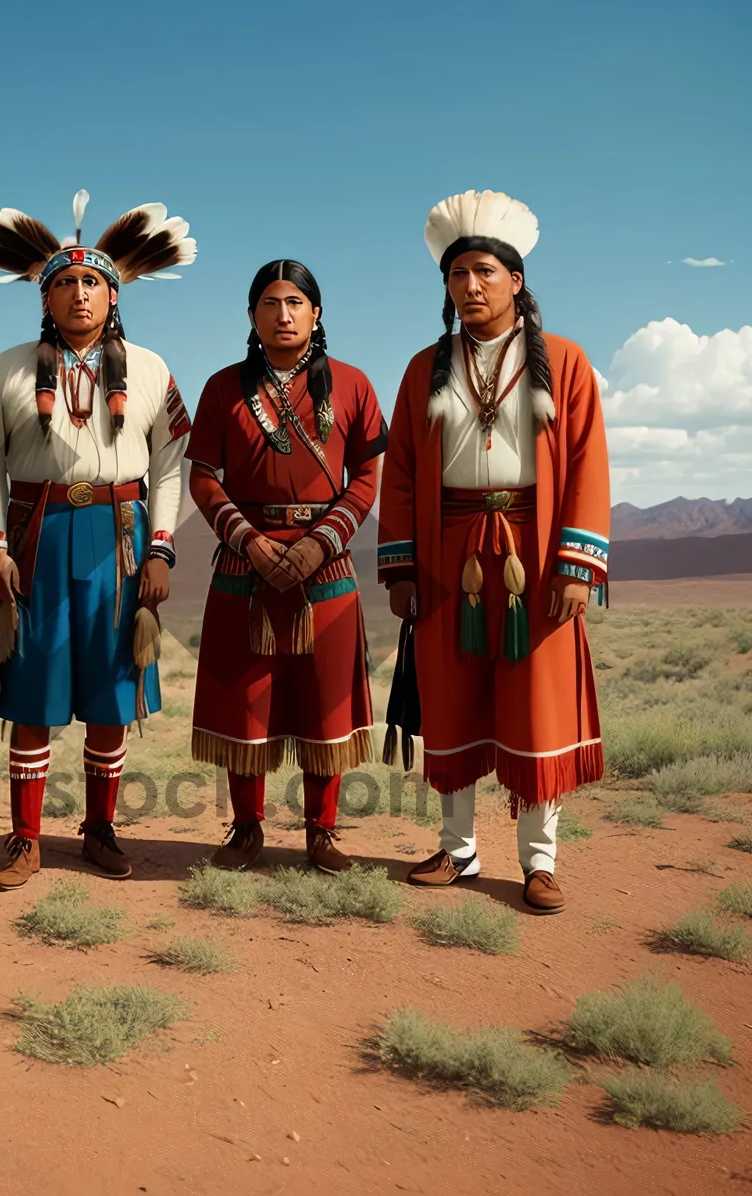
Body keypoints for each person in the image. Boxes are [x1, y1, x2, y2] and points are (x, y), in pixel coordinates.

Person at [0, 191, 194, 889]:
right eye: (64, 282)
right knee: (33, 686)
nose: (78, 293)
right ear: (44, 296)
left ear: (114, 296)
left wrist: (161, 549)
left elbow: (172, 465)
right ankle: (25, 837)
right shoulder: (8, 367)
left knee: (110, 689)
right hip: (37, 537)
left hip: (121, 539)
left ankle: (98, 830)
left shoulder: (150, 369)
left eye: (92, 282)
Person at [378, 189, 609, 913]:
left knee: (535, 704)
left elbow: (587, 461)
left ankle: (539, 861)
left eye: (484, 272)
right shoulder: (424, 369)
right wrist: (402, 569)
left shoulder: (565, 363)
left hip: (535, 553)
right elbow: (404, 472)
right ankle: (458, 853)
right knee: (452, 700)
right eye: (457, 275)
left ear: (516, 281)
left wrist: (577, 567)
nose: (470, 287)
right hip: (450, 554)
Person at [186, 260, 386, 872]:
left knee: (322, 700)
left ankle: (322, 831)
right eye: (269, 303)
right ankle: (246, 828)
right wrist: (247, 539)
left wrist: (320, 541)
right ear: (252, 316)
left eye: (295, 301)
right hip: (244, 563)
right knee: (247, 701)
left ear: (316, 313)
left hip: (325, 564)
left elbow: (369, 476)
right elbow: (202, 477)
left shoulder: (352, 384)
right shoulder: (223, 388)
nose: (283, 313)